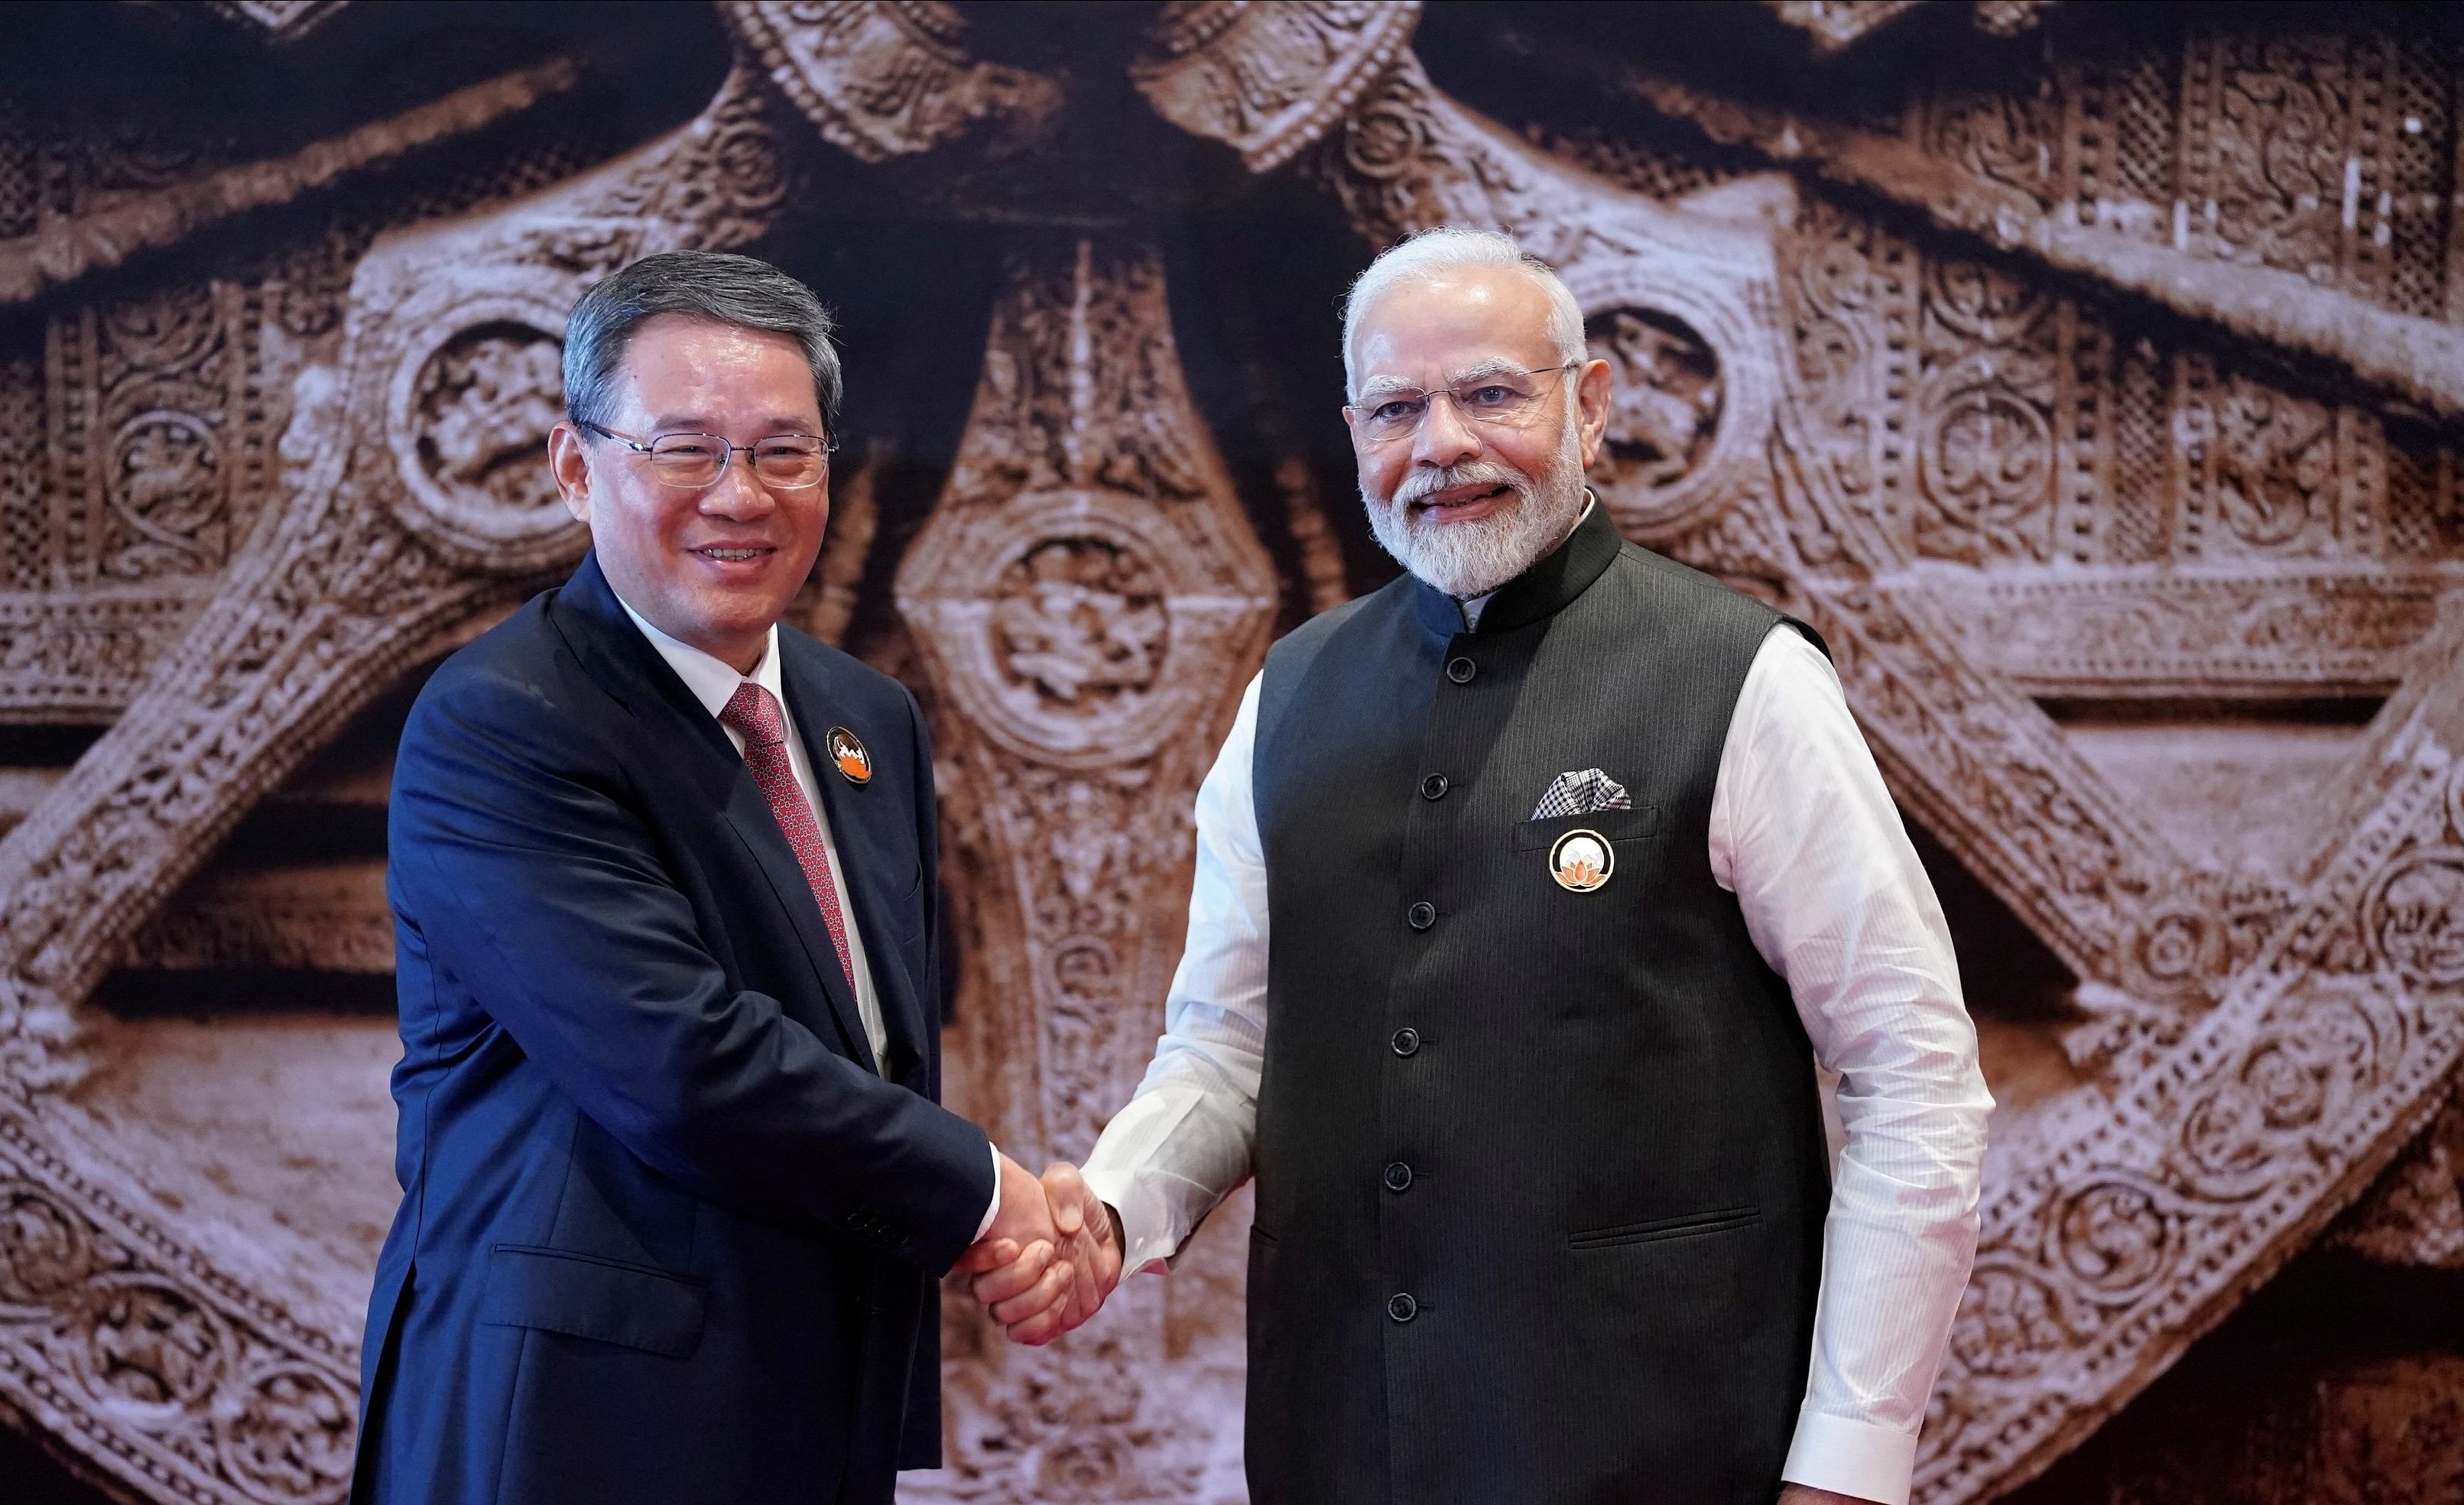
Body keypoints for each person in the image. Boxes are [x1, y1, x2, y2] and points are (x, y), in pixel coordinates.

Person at [976, 228, 1995, 1505]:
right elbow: (1231, 1045)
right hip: (1341, 1447)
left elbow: (1913, 1075)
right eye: (1399, 407)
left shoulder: (1743, 679)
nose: (1443, 443)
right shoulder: (1287, 698)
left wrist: (1852, 1455)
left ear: (1592, 403)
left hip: (1669, 1450)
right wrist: (1114, 1212)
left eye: (1492, 394)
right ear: (1356, 436)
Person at [352, 251, 1070, 1505]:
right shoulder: (503, 718)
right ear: (578, 469)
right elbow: (684, 1064)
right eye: (686, 449)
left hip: (809, 1410)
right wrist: (983, 1192)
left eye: (783, 451)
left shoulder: (864, 718)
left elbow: (876, 1048)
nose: (740, 495)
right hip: (572, 1427)